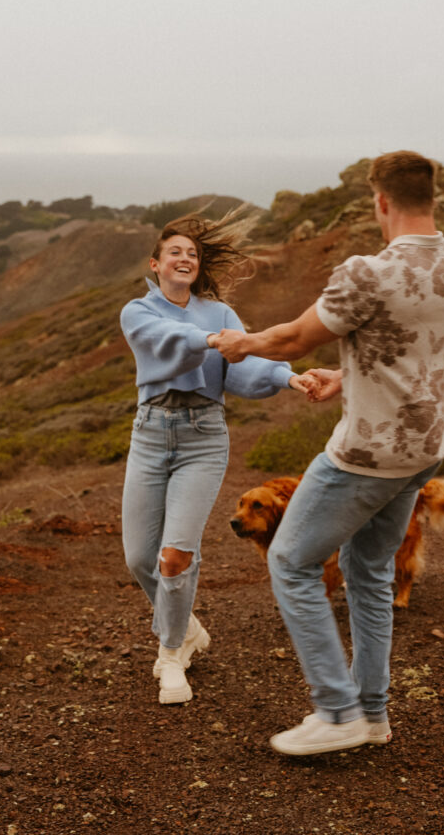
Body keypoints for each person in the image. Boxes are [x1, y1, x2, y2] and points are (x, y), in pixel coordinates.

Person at [212, 151, 444, 755]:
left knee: (290, 560)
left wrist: (242, 341)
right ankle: (375, 714)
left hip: (366, 456)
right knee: (368, 572)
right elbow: (416, 347)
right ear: (432, 197)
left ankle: (337, 713)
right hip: (429, 445)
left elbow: (290, 338)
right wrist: (347, 376)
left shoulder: (367, 272)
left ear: (380, 202)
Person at [120, 211, 312, 705]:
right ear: (156, 263)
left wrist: (289, 378)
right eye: (175, 252)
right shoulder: (138, 312)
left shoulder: (221, 313)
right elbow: (165, 345)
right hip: (150, 433)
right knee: (140, 557)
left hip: (204, 437)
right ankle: (186, 627)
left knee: (176, 553)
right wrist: (207, 341)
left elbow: (244, 369)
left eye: (193, 253)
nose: (185, 258)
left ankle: (170, 656)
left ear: (198, 265)